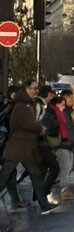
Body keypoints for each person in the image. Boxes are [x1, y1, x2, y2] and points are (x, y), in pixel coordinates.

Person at [0, 81, 58, 214]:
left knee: (35, 174)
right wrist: (40, 128)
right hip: (17, 147)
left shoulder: (25, 104)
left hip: (25, 147)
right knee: (4, 177)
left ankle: (44, 205)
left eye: (37, 88)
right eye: (34, 88)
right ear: (26, 89)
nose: (36, 91)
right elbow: (27, 124)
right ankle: (43, 204)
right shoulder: (22, 106)